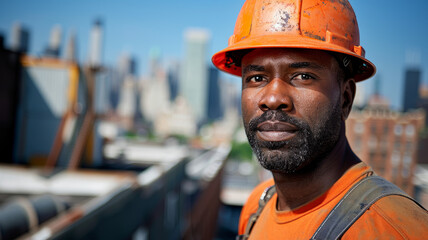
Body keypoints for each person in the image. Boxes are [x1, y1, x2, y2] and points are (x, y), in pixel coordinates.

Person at [212, 0, 428, 239]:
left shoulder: (395, 230)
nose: (272, 98)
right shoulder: (257, 205)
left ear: (346, 98)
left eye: (303, 76)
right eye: (256, 78)